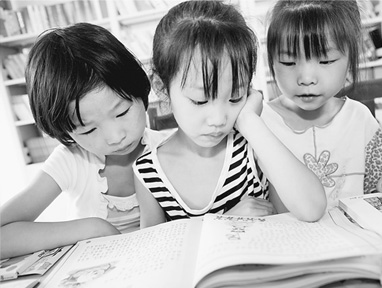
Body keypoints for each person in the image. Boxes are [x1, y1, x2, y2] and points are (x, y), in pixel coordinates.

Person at [133, 0, 327, 229]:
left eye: (235, 97)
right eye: (200, 100)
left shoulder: (253, 146)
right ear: (161, 88)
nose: (219, 119)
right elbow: (155, 253)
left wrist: (249, 122)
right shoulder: (149, 172)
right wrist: (223, 222)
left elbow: (311, 209)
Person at [0, 23, 170, 259]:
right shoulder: (71, 160)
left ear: (141, 91)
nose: (115, 137)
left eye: (121, 113)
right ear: (67, 134)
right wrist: (92, 228)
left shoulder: (169, 149)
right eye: (89, 130)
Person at [261, 0, 382, 210]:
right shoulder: (260, 122)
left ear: (351, 59)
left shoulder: (360, 119)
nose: (306, 78)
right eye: (289, 62)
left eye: (325, 61)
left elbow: (378, 191)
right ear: (272, 61)